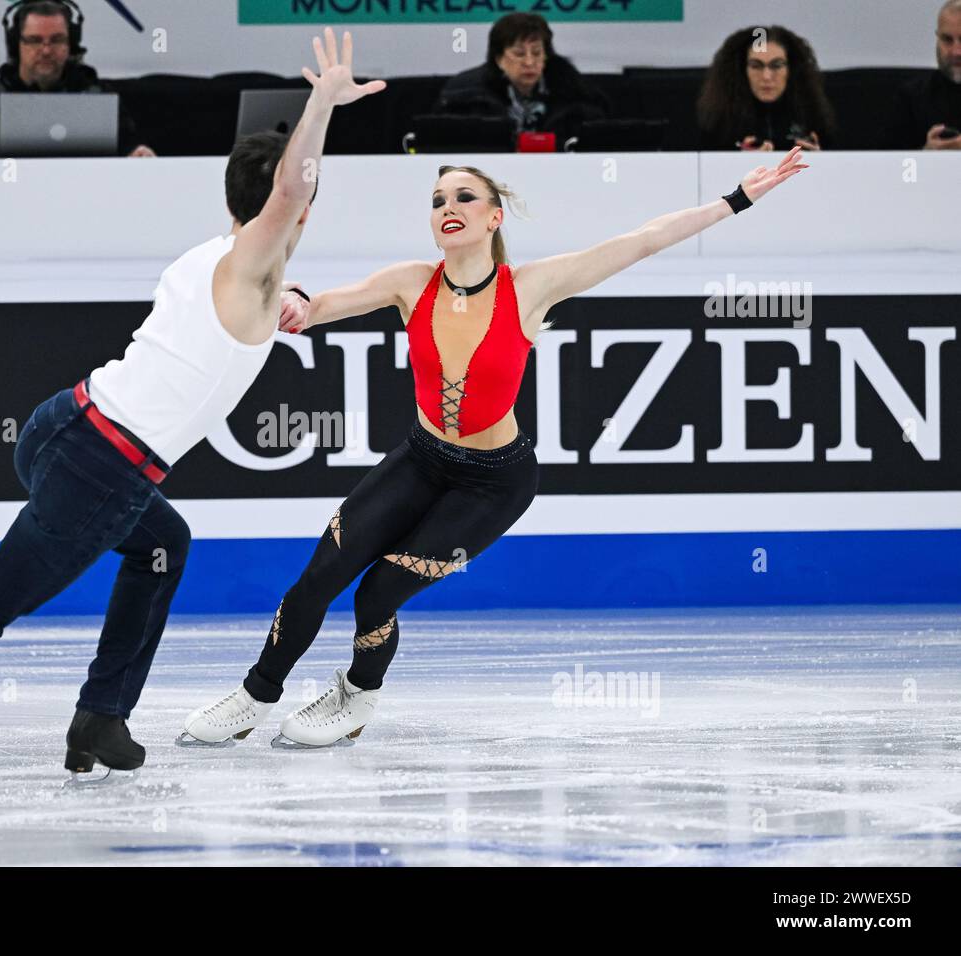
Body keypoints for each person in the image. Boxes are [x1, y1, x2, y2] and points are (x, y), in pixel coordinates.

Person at [0, 28, 385, 789]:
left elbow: (254, 280)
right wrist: (322, 106)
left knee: (163, 544)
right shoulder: (253, 265)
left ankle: (103, 716)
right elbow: (292, 192)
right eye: (295, 203)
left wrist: (292, 298)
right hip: (101, 468)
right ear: (288, 211)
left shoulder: (213, 258)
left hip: (62, 425)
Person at [181, 148, 809, 749]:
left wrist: (737, 197)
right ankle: (254, 696)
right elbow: (318, 306)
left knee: (377, 594)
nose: (447, 206)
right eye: (436, 200)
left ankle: (356, 697)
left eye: (463, 196)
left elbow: (643, 239)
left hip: (494, 483)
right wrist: (292, 299)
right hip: (421, 460)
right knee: (320, 576)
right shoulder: (411, 282)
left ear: (493, 216)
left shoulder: (531, 287)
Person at [0, 0, 155, 159]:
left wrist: (137, 154)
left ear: (72, 45)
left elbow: (129, 146)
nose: (46, 50)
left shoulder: (97, 95)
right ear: (16, 45)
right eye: (34, 40)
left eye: (57, 40)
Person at [431, 12, 609, 149]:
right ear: (499, 59)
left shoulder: (575, 90)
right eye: (519, 54)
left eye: (537, 53)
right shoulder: (465, 93)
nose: (530, 62)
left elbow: (598, 138)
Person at [697, 25, 835, 151]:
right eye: (756, 66)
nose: (767, 76)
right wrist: (738, 162)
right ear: (741, 70)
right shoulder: (719, 123)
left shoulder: (812, 116)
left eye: (776, 65)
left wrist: (818, 161)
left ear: (792, 69)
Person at [884, 0, 961, 150]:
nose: (956, 51)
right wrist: (925, 156)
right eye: (947, 40)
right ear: (937, 38)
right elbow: (888, 166)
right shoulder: (912, 97)